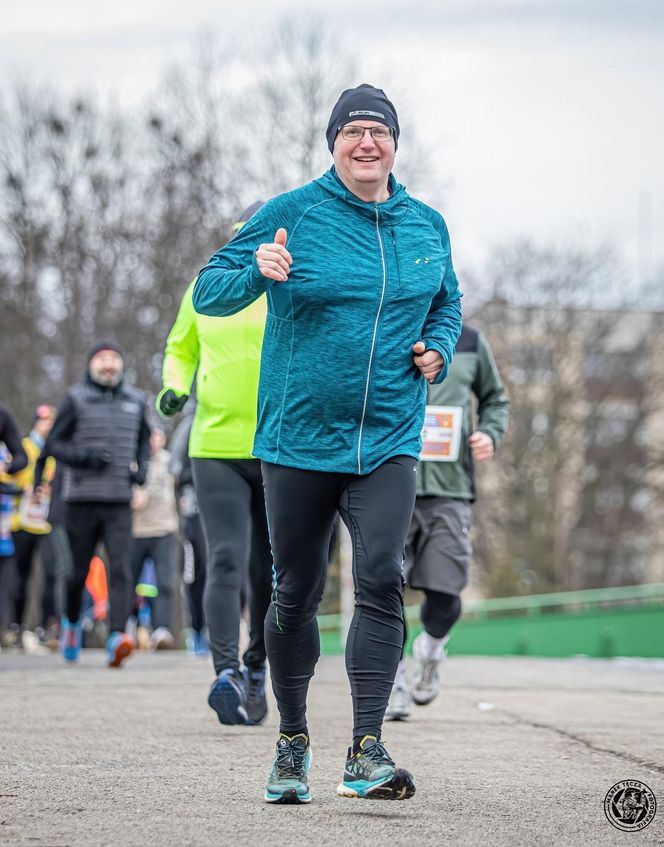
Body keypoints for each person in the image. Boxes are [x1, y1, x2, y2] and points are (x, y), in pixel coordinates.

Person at [193, 83, 462, 804]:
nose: (366, 142)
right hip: (298, 438)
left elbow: (447, 301)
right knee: (295, 591)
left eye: (379, 131)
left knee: (380, 579)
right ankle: (292, 741)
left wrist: (436, 345)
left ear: (395, 145)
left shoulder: (427, 225)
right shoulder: (292, 213)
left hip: (388, 438)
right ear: (334, 144)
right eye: (353, 132)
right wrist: (256, 270)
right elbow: (207, 291)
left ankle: (366, 747)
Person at [158, 201, 273, 726]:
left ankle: (257, 669)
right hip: (215, 445)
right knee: (224, 559)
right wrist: (174, 388)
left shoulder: (292, 281)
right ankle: (224, 672)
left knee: (271, 571)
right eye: (246, 234)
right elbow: (180, 347)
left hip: (281, 445)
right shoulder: (209, 285)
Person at [385, 325, 509, 720]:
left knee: (446, 594)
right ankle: (392, 684)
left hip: (450, 491)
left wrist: (489, 433)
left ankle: (431, 650)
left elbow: (495, 399)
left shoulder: (470, 342)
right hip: (385, 481)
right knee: (382, 591)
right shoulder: (385, 324)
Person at [39, 341, 151, 666]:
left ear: (121, 365)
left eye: (114, 359)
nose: (108, 365)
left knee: (121, 569)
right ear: (91, 365)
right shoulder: (75, 399)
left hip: (118, 500)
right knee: (76, 572)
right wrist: (85, 458)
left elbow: (145, 441)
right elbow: (52, 445)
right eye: (102, 359)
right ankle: (72, 624)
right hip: (81, 500)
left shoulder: (136, 400)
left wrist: (141, 471)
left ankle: (117, 635)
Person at [7, 404, 57, 647]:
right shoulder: (23, 447)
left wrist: (50, 490)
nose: (48, 426)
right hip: (23, 521)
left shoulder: (56, 452)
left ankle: (46, 626)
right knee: (20, 577)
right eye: (45, 421)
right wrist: (24, 490)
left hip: (47, 523)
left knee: (52, 574)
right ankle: (16, 626)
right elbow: (6, 477)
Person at [129, 424, 179, 649]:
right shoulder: (132, 459)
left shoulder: (170, 462)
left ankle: (161, 630)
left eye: (156, 436)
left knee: (164, 582)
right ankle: (127, 627)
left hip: (163, 529)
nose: (153, 441)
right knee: (128, 580)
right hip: (136, 530)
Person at [168, 409, 208, 657]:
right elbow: (175, 468)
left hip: (227, 510)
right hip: (195, 512)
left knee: (228, 570)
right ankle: (197, 631)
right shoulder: (190, 424)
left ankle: (222, 631)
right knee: (196, 574)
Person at [0, 404, 28, 637]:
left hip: (3, 510)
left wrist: (7, 467)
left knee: (8, 574)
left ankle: (6, 628)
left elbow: (22, 457)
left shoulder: (3, 414)